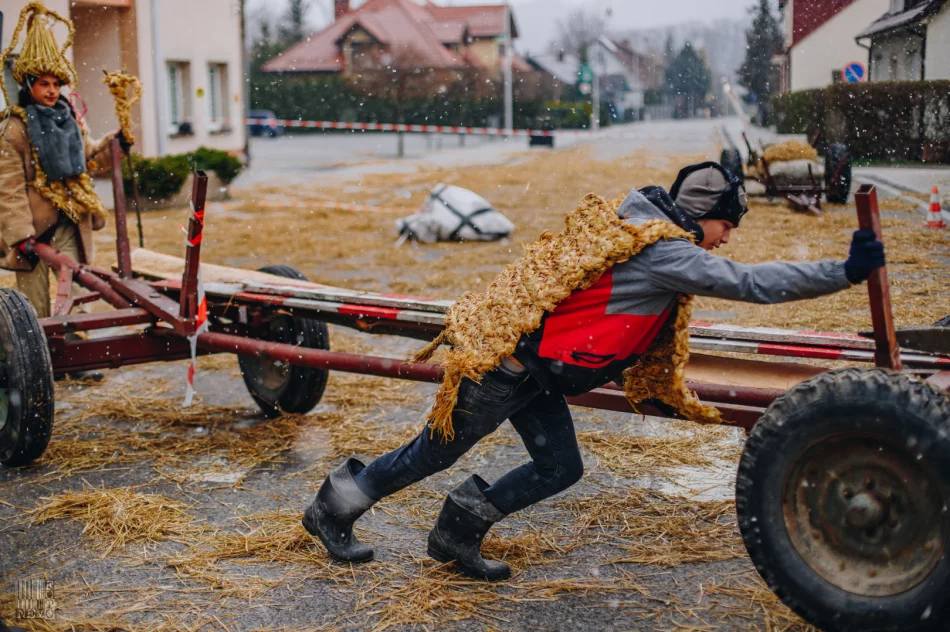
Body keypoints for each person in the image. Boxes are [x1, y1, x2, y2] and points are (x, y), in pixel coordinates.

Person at [302, 161, 886, 581]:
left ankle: (456, 533)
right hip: (504, 370)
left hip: (534, 373)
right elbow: (750, 283)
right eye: (727, 224)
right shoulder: (664, 252)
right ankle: (331, 510)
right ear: (703, 215)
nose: (728, 237)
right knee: (430, 454)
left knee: (560, 467)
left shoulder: (637, 228)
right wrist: (843, 271)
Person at [0, 2, 125, 324]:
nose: (53, 91)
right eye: (45, 84)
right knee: (34, 307)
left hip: (70, 221)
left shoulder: (70, 120)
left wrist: (118, 144)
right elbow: (9, 189)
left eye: (56, 84)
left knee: (78, 295)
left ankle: (76, 343)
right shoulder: (14, 128)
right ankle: (41, 349)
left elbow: (89, 158)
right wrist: (21, 237)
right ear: (29, 86)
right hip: (32, 231)